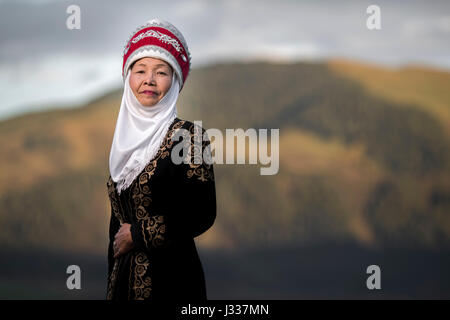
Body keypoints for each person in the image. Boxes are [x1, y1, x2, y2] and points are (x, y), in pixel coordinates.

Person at [106, 19, 216, 300]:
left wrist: (139, 235)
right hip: (122, 285)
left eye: (161, 72)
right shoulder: (123, 144)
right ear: (128, 77)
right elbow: (117, 231)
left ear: (175, 80)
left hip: (173, 282)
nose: (149, 80)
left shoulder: (191, 136)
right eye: (140, 70)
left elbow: (201, 212)